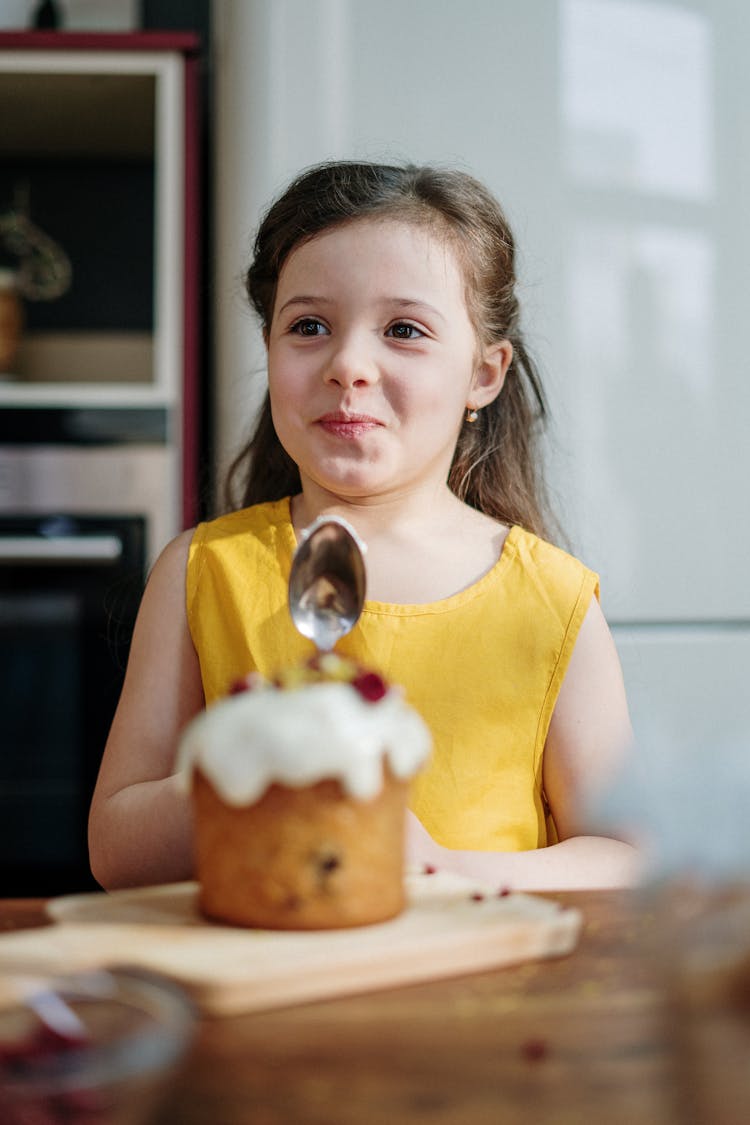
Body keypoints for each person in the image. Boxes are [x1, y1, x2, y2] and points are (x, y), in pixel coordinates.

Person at [88, 160, 638, 892]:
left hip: (482, 997)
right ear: (270, 349)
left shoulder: (553, 601)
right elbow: (117, 851)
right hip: (270, 989)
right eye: (309, 326)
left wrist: (442, 870)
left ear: (484, 372)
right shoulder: (201, 572)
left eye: (404, 330)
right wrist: (257, 766)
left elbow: (626, 852)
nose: (349, 364)